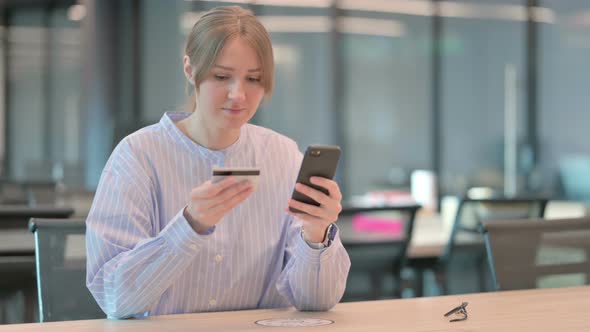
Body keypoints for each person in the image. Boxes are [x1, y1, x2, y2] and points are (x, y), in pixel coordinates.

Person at [86, 5, 350, 319]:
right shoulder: (137, 157)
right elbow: (116, 298)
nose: (238, 95)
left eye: (254, 79)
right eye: (222, 76)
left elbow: (315, 303)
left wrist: (316, 234)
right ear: (190, 69)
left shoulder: (283, 156)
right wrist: (189, 226)